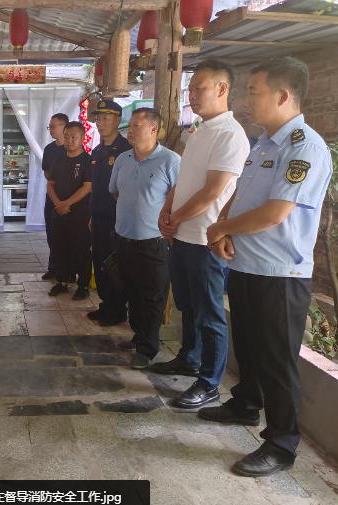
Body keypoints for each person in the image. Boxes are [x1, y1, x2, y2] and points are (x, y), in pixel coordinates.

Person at [201, 57, 332, 477]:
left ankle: (281, 444)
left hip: (280, 274)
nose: (246, 100)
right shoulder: (262, 143)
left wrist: (221, 226)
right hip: (247, 264)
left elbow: (275, 212)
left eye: (253, 92)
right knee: (250, 348)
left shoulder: (304, 148)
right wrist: (225, 231)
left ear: (283, 96)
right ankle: (245, 404)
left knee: (277, 361)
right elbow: (242, 195)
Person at [156, 60, 250, 409]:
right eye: (190, 89)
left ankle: (209, 382)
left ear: (222, 89)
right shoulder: (199, 131)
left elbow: (213, 192)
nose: (192, 95)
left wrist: (175, 219)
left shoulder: (230, 135)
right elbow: (183, 181)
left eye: (200, 88)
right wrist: (167, 211)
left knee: (210, 314)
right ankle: (189, 357)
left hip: (205, 240)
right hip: (182, 235)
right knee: (187, 304)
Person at [109, 108, 180, 369]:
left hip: (154, 241)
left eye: (136, 125)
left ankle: (148, 349)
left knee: (152, 296)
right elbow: (115, 192)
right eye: (130, 125)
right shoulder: (123, 159)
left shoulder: (170, 161)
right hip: (124, 237)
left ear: (154, 129)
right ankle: (139, 335)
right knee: (131, 291)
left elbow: (179, 199)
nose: (130, 130)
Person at [87, 99, 131, 327]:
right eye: (98, 118)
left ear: (118, 120)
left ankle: (117, 309)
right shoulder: (97, 150)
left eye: (105, 118)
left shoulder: (126, 150)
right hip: (99, 216)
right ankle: (106, 304)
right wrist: (92, 215)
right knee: (99, 260)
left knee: (114, 263)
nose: (100, 122)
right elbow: (96, 187)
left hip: (117, 218)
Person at [46, 121, 92, 300]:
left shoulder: (87, 160)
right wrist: (58, 204)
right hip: (58, 212)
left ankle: (83, 285)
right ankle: (62, 281)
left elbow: (87, 187)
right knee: (59, 247)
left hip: (80, 214)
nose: (70, 140)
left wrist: (67, 203)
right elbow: (50, 184)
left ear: (82, 138)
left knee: (81, 250)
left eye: (74, 137)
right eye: (67, 137)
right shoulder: (58, 159)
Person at [41, 113, 68, 281]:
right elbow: (46, 173)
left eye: (53, 126)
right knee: (51, 233)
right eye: (49, 127)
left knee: (67, 235)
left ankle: (68, 270)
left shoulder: (73, 147)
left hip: (70, 199)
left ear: (64, 126)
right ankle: (54, 267)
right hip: (52, 197)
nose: (50, 129)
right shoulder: (49, 149)